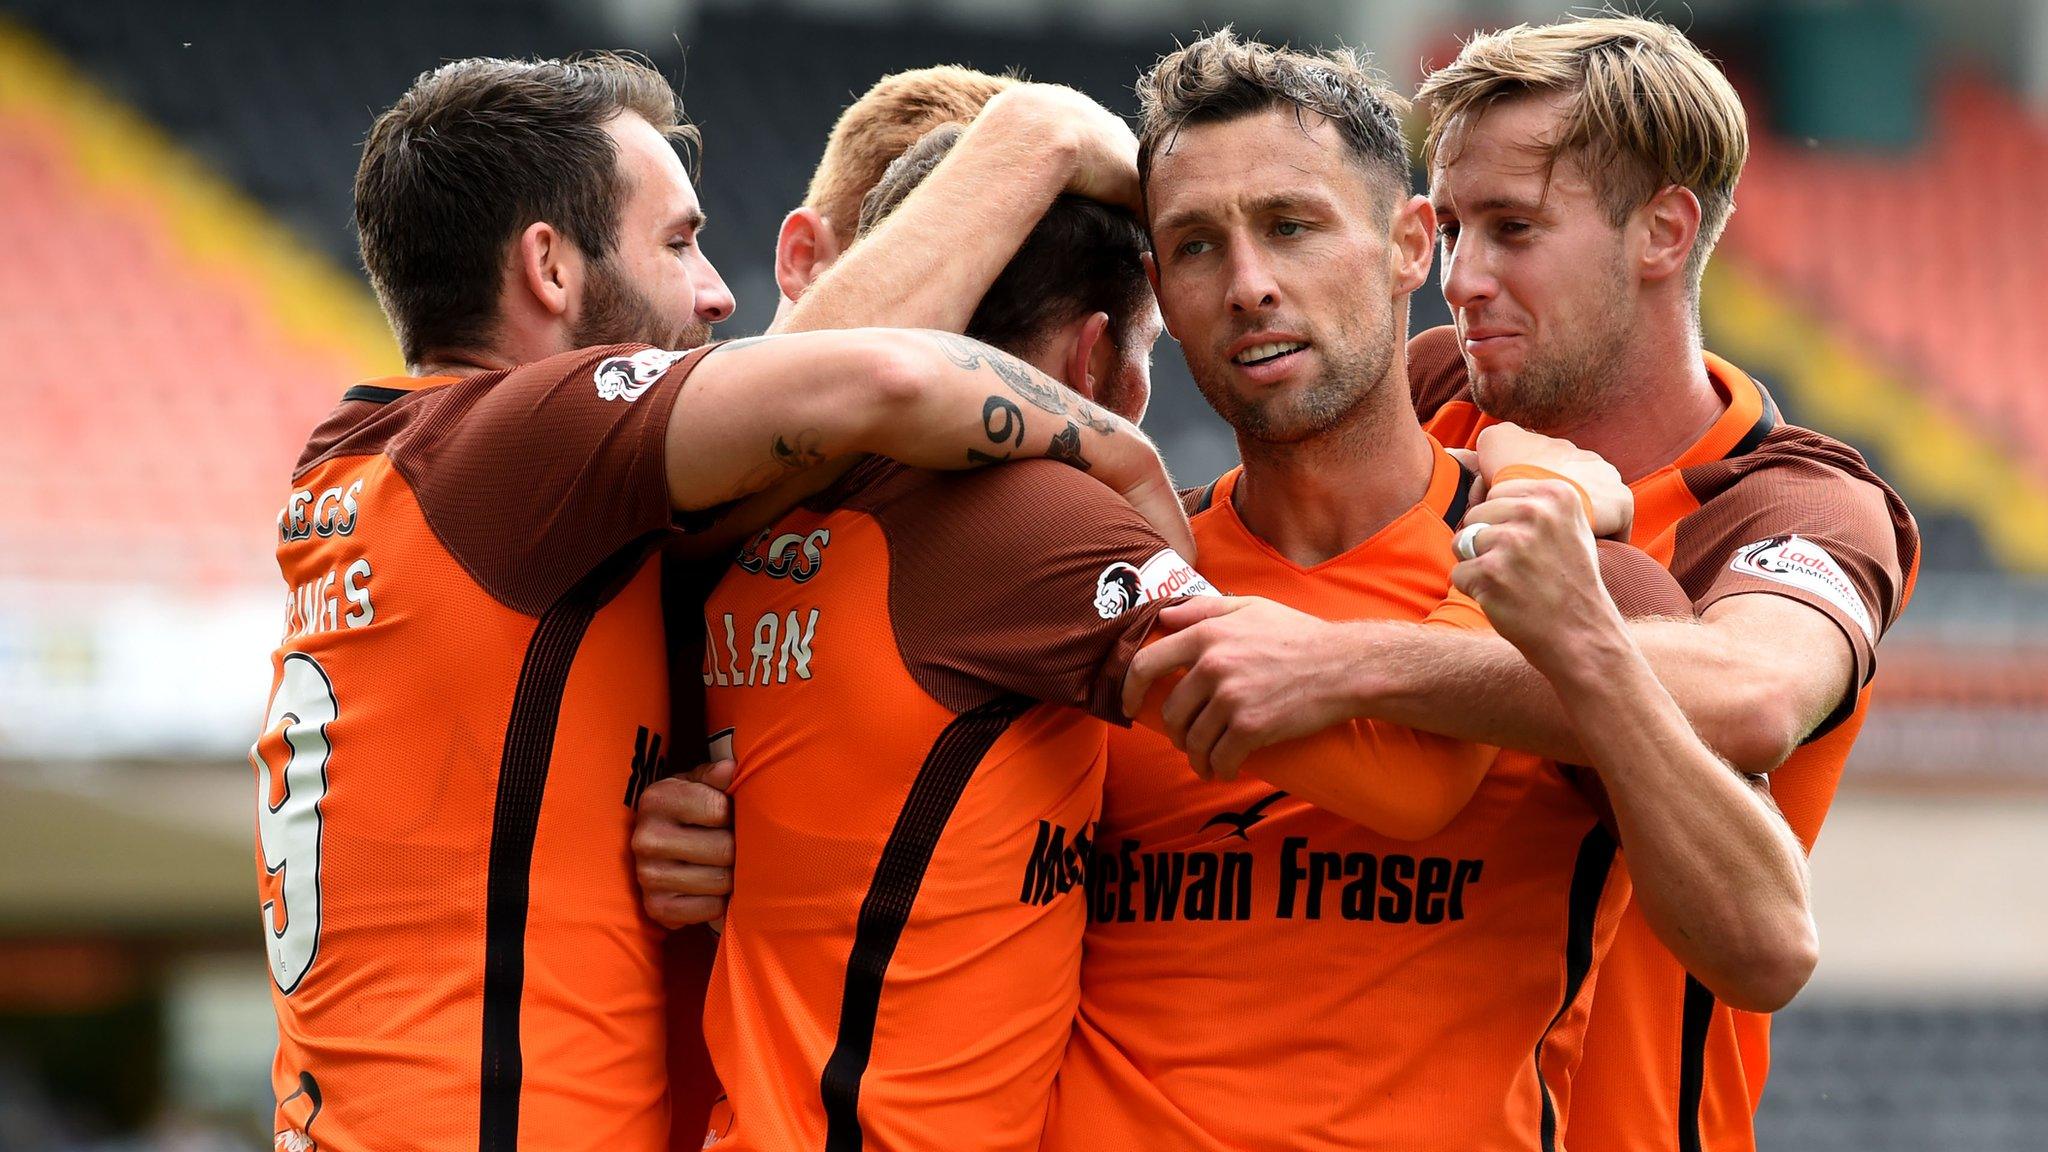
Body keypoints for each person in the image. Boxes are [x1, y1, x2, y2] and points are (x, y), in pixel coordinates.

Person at [637, 33, 1752, 1149]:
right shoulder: (1088, 568)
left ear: (1410, 242)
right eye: (1195, 245)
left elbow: (1762, 944)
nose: (1251, 283)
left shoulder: (1584, 581)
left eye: (1290, 225)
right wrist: (755, 838)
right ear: (1154, 299)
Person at [253, 53, 1185, 1152]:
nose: (719, 295)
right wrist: (1122, 450)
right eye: (677, 242)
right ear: (549, 270)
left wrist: (684, 819)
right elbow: (876, 380)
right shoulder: (514, 446)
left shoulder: (379, 464)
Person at [1127, 17, 1919, 1152]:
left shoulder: (1790, 501)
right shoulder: (1440, 391)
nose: (1462, 278)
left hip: (1631, 1120)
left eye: (1511, 231)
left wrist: (1346, 663)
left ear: (1660, 230)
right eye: (1447, 229)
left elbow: (1747, 696)